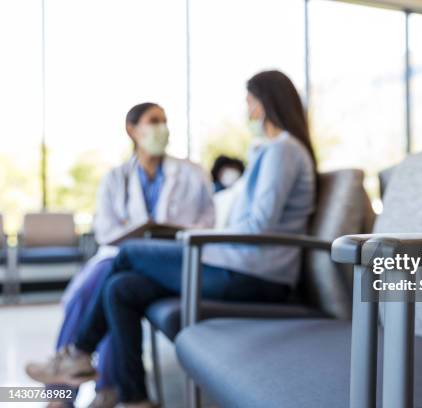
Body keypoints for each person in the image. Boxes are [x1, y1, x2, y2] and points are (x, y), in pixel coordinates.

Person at [26, 70, 317, 408]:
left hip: (257, 275)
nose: (248, 111)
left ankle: (78, 354)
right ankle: (133, 397)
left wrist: (199, 236)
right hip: (239, 264)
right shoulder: (272, 152)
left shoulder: (281, 152)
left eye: (250, 102)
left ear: (266, 104)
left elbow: (258, 225)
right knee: (120, 288)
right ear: (132, 131)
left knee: (129, 254)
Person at [39, 102, 215, 408]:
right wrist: (133, 230)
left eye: (164, 121)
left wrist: (169, 229)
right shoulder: (115, 177)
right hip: (120, 254)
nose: (162, 128)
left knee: (109, 286)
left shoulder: (191, 172)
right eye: (153, 121)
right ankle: (68, 393)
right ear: (132, 130)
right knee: (90, 289)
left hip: (171, 257)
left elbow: (208, 222)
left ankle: (99, 381)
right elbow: (105, 229)